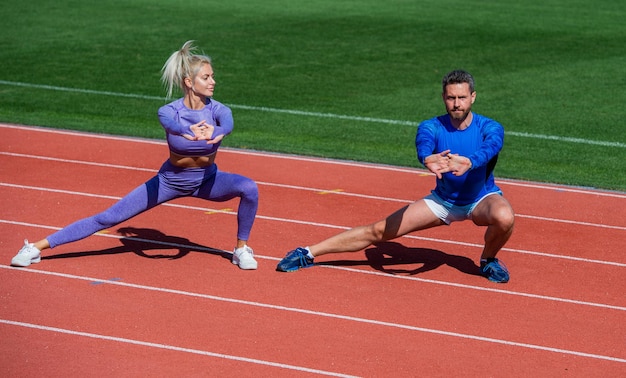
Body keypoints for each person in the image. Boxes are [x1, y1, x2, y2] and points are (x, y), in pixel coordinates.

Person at [11, 41, 259, 270]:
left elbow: (227, 124)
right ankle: (35, 247)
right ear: (189, 82)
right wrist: (189, 131)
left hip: (206, 180)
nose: (213, 81)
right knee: (108, 217)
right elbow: (173, 127)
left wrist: (216, 132)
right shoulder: (168, 111)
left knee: (249, 188)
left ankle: (240, 249)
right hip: (169, 182)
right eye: (206, 77)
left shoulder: (219, 110)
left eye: (213, 76)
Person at [276, 70, 515, 283]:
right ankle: (307, 253)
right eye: (451, 98)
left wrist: (470, 162)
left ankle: (488, 260)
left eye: (462, 98)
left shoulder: (489, 127)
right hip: (443, 202)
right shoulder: (431, 126)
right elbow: (423, 143)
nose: (456, 104)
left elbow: (492, 147)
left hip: (480, 199)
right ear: (443, 98)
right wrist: (426, 158)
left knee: (504, 216)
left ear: (473, 97)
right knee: (378, 231)